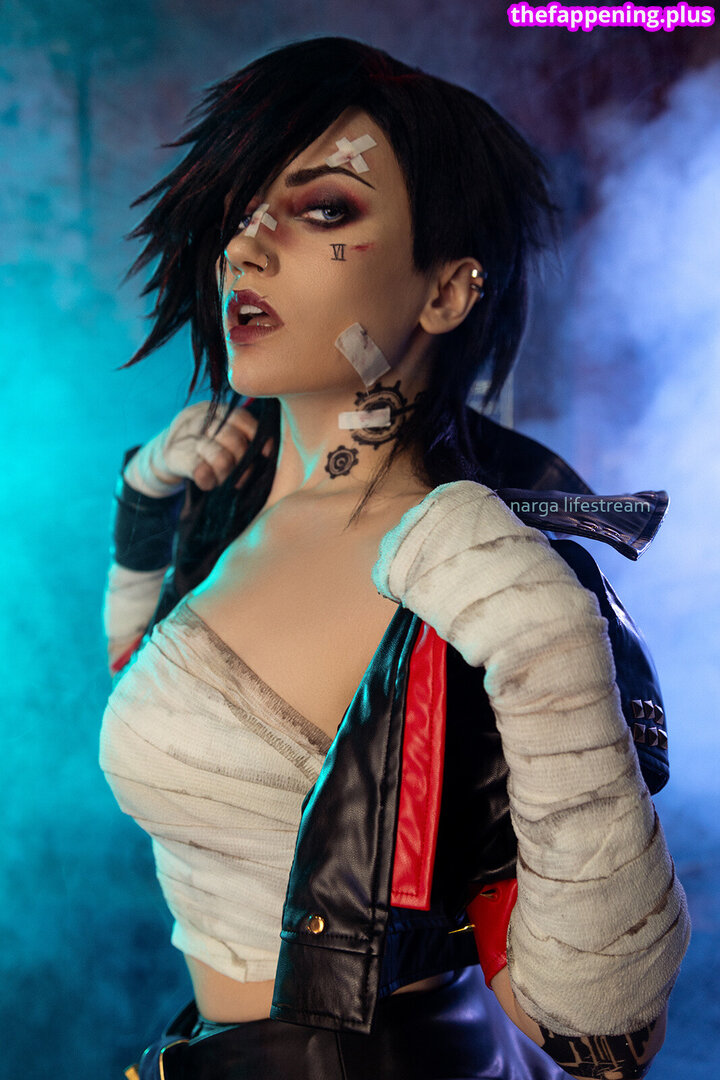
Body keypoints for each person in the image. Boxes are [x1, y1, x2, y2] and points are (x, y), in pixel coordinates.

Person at [99, 37, 690, 1080]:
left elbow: (605, 1033)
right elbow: (150, 677)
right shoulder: (238, 486)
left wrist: (550, 649)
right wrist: (148, 515)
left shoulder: (477, 576)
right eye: (244, 209)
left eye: (325, 210)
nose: (247, 248)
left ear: (447, 292)